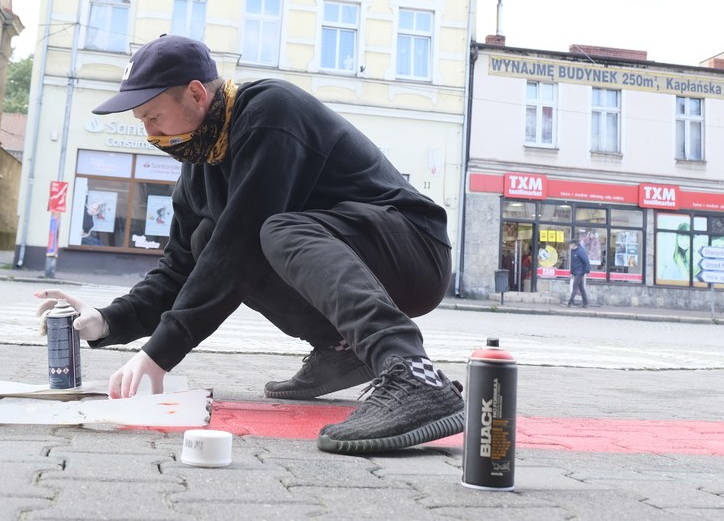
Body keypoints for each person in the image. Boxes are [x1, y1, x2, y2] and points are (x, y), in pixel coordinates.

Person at [35, 35, 463, 455]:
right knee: (208, 239)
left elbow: (238, 248)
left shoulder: (269, 111)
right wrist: (107, 320)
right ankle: (343, 350)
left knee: (272, 232)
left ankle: (412, 372)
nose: (150, 133)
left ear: (197, 94)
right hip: (359, 255)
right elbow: (179, 271)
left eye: (153, 116)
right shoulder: (198, 172)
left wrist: (158, 355)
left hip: (413, 246)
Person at [567, 238, 590, 307]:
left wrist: (587, 270)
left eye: (570, 244)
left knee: (575, 286)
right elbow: (573, 263)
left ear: (574, 245)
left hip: (580, 271)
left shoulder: (580, 251)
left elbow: (586, 261)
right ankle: (585, 303)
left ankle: (570, 302)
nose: (569, 246)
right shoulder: (574, 251)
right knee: (581, 287)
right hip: (576, 271)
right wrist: (571, 272)